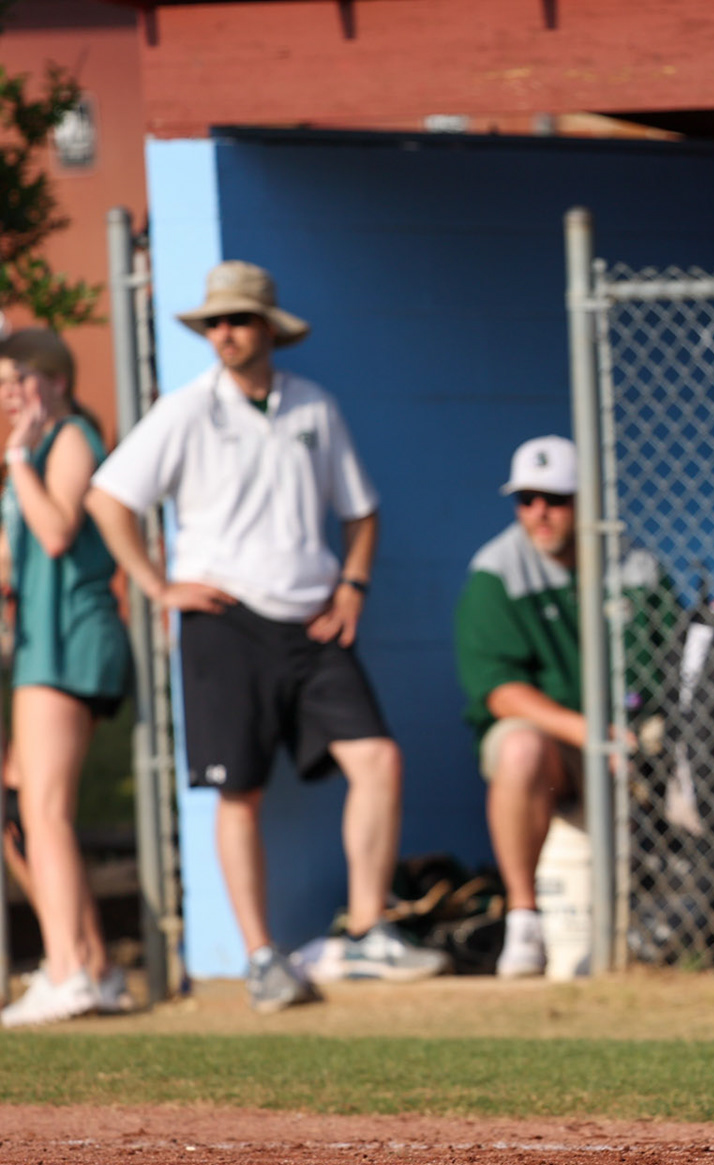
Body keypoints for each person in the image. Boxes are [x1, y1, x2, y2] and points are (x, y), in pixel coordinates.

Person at [85, 260, 447, 1011]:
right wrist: (156, 586)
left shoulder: (313, 406)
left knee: (378, 758)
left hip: (313, 621)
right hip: (224, 623)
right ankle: (259, 959)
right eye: (215, 323)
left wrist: (351, 588)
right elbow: (109, 497)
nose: (226, 334)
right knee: (237, 792)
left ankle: (367, 930)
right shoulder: (187, 410)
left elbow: (361, 511)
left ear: (269, 331)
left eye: (239, 321)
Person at [454, 435, 678, 978]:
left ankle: (695, 914)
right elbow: (500, 691)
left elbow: (670, 668)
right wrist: (591, 733)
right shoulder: (497, 569)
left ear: (587, 501)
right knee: (520, 747)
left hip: (630, 741)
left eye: (555, 499)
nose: (540, 514)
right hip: (559, 744)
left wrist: (630, 734)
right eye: (526, 500)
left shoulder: (633, 563)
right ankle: (524, 921)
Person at [0, 330, 133, 1027]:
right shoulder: (26, 461)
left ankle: (69, 971)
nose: (6, 396)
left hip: (70, 643)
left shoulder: (71, 437)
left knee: (44, 813)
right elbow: (9, 560)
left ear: (49, 380)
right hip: (38, 648)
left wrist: (18, 457)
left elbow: (54, 532)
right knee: (33, 813)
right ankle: (96, 969)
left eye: (15, 381)